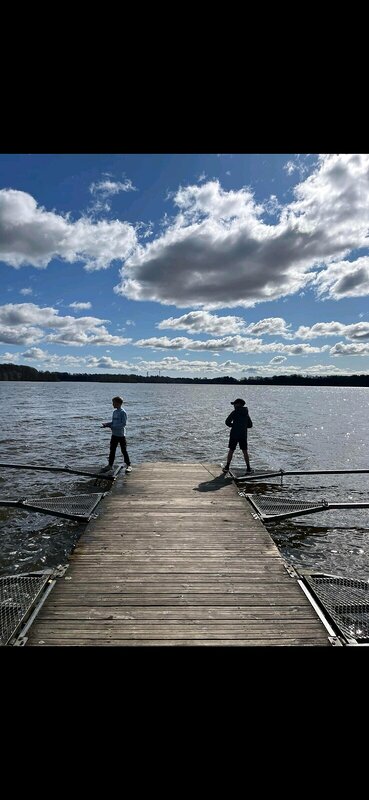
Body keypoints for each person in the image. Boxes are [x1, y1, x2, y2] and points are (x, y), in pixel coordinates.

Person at [100, 396, 132, 473]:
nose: (112, 404)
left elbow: (123, 424)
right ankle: (110, 465)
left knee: (124, 450)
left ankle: (129, 465)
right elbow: (113, 422)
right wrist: (107, 424)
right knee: (112, 450)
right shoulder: (114, 412)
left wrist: (112, 426)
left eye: (114, 403)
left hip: (121, 435)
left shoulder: (123, 412)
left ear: (118, 403)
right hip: (114, 435)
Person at [222, 398, 253, 474]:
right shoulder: (246, 413)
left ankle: (227, 467)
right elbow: (250, 425)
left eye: (235, 404)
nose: (234, 406)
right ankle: (248, 468)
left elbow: (227, 422)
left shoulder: (234, 412)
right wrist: (243, 426)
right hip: (243, 435)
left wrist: (234, 425)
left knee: (231, 450)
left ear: (238, 404)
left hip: (234, 434)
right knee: (245, 451)